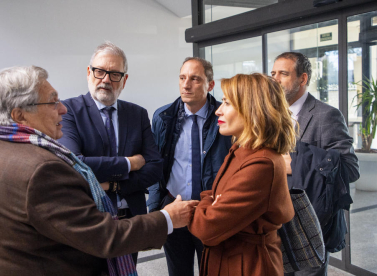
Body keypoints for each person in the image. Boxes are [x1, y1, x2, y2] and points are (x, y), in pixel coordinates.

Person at [0, 65, 198, 276]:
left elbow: (153, 167)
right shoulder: (41, 170)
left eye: (115, 74)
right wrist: (168, 217)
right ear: (19, 115)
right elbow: (105, 237)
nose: (63, 109)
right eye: (52, 102)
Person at [59, 45, 162, 260]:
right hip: (88, 219)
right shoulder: (68, 112)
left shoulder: (137, 114)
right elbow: (76, 165)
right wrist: (130, 164)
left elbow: (155, 167)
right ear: (89, 73)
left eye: (115, 74)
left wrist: (115, 185)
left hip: (130, 218)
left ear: (124, 80)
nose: (106, 80)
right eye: (100, 71)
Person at [189, 73, 296, 276]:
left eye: (227, 103)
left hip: (247, 265)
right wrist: (211, 201)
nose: (218, 111)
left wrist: (208, 203)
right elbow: (213, 194)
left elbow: (206, 229)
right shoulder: (241, 149)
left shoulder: (261, 163)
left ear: (252, 109)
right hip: (230, 259)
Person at [271, 52, 360, 276]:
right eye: (273, 73)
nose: (275, 79)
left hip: (309, 224)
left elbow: (350, 168)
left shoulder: (326, 115)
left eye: (283, 73)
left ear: (303, 79)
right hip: (273, 222)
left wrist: (298, 162)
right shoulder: (270, 115)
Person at [148, 57, 232, 276]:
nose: (186, 85)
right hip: (175, 207)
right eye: (182, 78)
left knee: (214, 270)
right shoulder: (163, 117)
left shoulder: (224, 117)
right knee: (178, 271)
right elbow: (157, 166)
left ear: (210, 85)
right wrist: (157, 207)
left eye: (194, 79)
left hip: (211, 211)